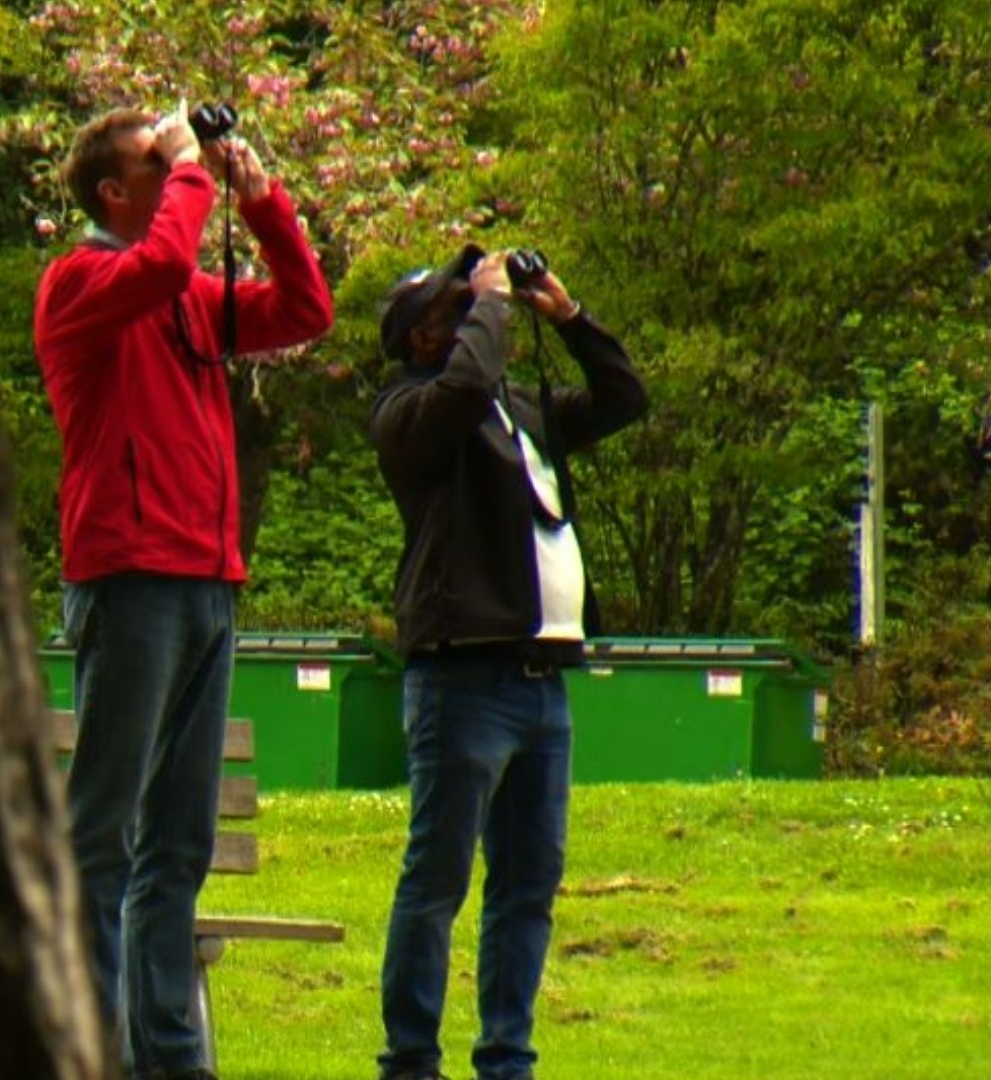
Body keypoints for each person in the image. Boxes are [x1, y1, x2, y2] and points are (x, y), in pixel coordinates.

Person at [34, 105, 332, 1079]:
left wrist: (263, 203)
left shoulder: (187, 300)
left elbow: (305, 312)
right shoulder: (80, 282)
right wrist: (195, 172)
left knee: (177, 844)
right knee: (103, 837)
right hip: (128, 577)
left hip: (205, 581)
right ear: (113, 196)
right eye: (157, 167)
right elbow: (159, 263)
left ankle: (171, 1059)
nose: (178, 177)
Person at [367, 244, 647, 1080]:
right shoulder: (409, 411)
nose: (481, 317)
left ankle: (506, 1059)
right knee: (439, 878)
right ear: (424, 338)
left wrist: (567, 316)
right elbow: (459, 390)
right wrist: (488, 301)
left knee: (527, 886)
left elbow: (624, 400)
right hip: (462, 679)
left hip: (541, 681)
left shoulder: (519, 410)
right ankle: (411, 1059)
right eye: (458, 312)